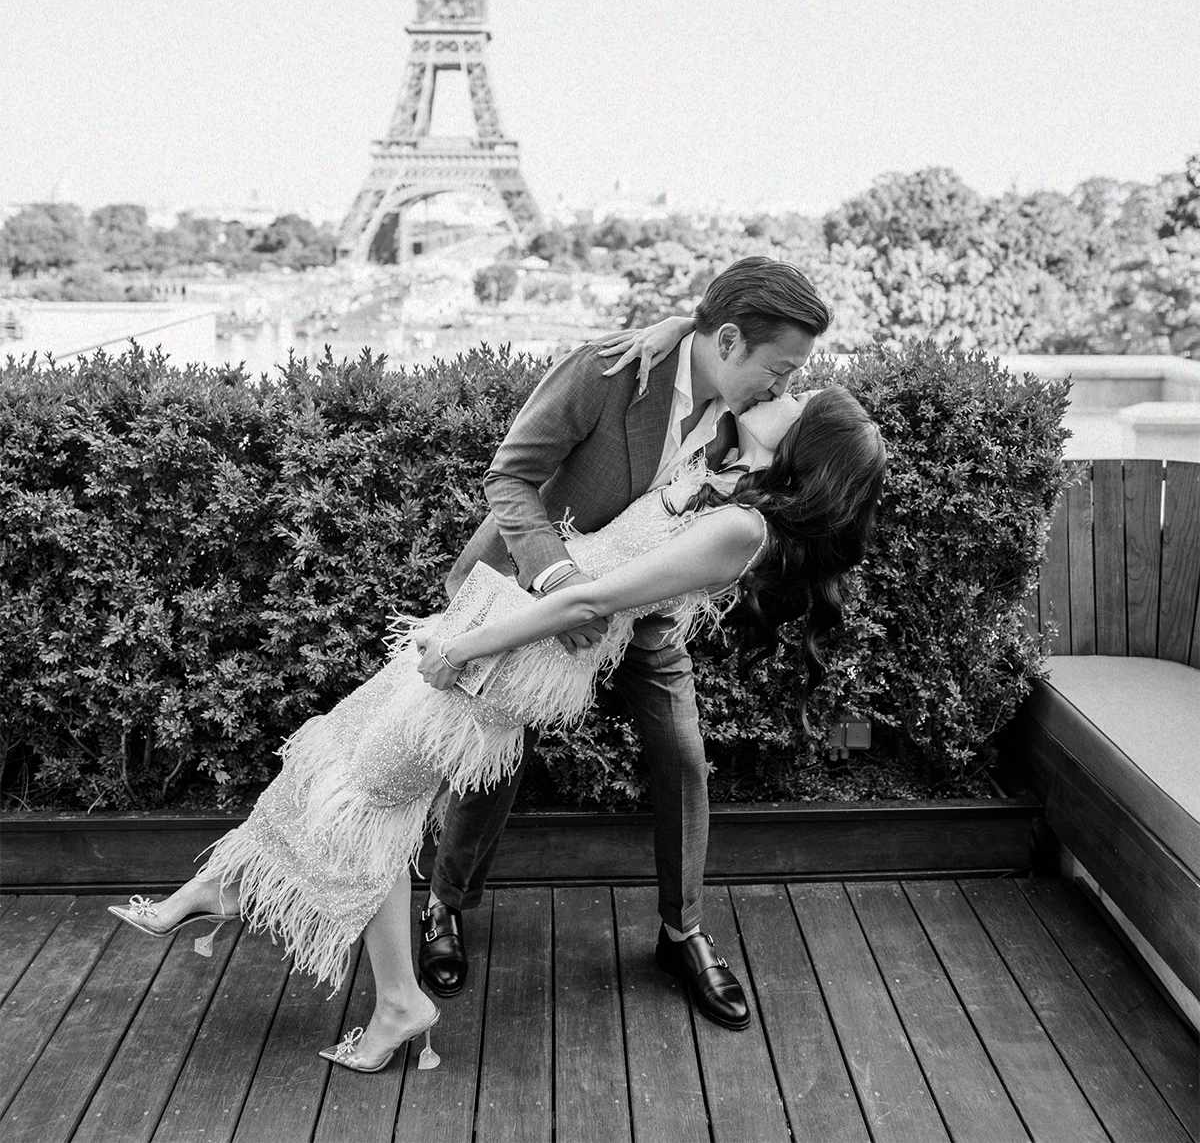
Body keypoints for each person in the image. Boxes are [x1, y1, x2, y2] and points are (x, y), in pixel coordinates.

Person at [109, 378, 884, 1074]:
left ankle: (350, 970)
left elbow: (589, 604)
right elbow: (686, 348)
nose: (785, 386)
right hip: (504, 622)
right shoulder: (722, 469)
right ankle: (247, 900)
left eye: (799, 396)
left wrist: (463, 649)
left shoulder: (741, 528)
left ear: (801, 442)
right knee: (348, 755)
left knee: (370, 797)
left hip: (517, 657)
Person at [419, 258, 831, 1032]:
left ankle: (682, 931)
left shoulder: (753, 412)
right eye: (779, 370)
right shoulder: (606, 371)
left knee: (681, 753)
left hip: (644, 610)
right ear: (731, 339)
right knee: (494, 757)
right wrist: (555, 581)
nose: (784, 387)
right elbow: (509, 479)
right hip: (538, 590)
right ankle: (444, 905)